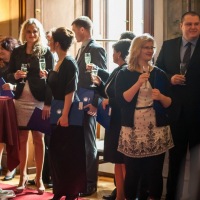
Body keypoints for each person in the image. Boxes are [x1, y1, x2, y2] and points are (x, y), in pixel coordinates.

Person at [115, 33, 174, 200]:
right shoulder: (124, 73)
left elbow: (170, 102)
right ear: (137, 50)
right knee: (133, 172)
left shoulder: (159, 74)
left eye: (152, 48)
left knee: (154, 172)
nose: (150, 50)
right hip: (133, 129)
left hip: (156, 129)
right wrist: (138, 83)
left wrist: (161, 97)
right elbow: (122, 100)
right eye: (146, 47)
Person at [155, 11, 200, 200]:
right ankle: (171, 196)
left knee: (199, 162)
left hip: (198, 114)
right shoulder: (168, 45)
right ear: (180, 25)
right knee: (175, 160)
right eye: (189, 24)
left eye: (196, 24)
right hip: (175, 114)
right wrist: (170, 79)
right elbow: (158, 73)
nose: (193, 27)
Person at [7, 18, 54, 194]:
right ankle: (22, 176)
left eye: (35, 31)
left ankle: (39, 178)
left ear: (39, 32)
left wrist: (48, 101)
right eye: (29, 31)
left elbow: (52, 80)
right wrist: (16, 76)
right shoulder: (17, 51)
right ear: (24, 33)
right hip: (20, 100)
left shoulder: (46, 52)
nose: (32, 34)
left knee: (38, 139)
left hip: (39, 100)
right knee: (21, 139)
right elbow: (8, 74)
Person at [47, 27, 86, 200]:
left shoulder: (69, 62)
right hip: (57, 112)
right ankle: (59, 190)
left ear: (56, 43)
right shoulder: (58, 61)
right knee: (56, 153)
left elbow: (71, 90)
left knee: (70, 155)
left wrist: (64, 115)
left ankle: (71, 192)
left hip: (66, 114)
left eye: (50, 41)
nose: (49, 43)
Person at [71, 16, 107, 197]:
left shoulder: (96, 49)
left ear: (82, 30)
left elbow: (100, 80)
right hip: (79, 100)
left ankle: (91, 183)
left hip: (90, 102)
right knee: (80, 143)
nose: (74, 34)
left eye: (74, 30)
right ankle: (82, 181)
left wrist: (95, 104)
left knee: (88, 143)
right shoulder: (81, 49)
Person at [91, 39, 131, 200]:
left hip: (121, 119)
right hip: (113, 120)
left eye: (114, 52)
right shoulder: (116, 70)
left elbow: (123, 98)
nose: (112, 55)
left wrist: (110, 101)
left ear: (119, 53)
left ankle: (126, 195)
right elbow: (109, 93)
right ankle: (119, 196)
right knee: (117, 160)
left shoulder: (126, 71)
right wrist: (100, 85)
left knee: (124, 161)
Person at [0, 37, 19, 181]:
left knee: (11, 136)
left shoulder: (15, 67)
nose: (0, 52)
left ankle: (12, 168)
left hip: (13, 104)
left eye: (3, 49)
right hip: (1, 104)